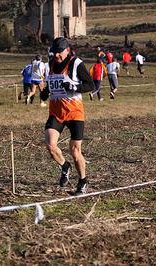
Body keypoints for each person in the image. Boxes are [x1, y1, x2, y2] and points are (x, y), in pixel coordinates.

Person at [39, 37, 95, 196]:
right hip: (56, 113)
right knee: (50, 146)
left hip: (75, 113)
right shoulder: (50, 64)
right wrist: (45, 91)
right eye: (54, 53)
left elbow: (90, 85)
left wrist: (74, 86)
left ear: (67, 50)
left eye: (59, 53)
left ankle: (83, 181)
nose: (56, 56)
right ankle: (65, 167)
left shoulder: (76, 64)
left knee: (75, 151)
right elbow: (51, 82)